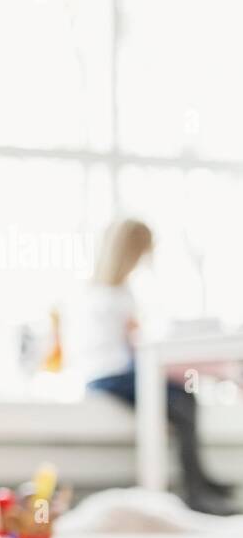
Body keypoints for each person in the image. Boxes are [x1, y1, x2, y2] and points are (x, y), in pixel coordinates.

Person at [70, 218, 235, 515]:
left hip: (119, 371)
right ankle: (196, 489)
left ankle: (199, 483)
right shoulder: (108, 296)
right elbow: (133, 344)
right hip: (109, 375)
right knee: (180, 398)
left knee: (184, 394)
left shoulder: (111, 292)